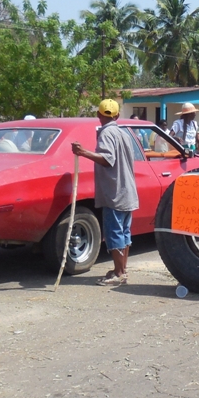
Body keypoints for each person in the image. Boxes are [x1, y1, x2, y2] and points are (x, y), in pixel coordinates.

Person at [71, 99, 140, 286]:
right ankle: (122, 270)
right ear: (117, 116)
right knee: (124, 234)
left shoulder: (106, 133)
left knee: (115, 234)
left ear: (99, 115)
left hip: (114, 194)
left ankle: (118, 273)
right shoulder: (124, 133)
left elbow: (107, 159)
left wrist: (82, 152)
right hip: (127, 192)